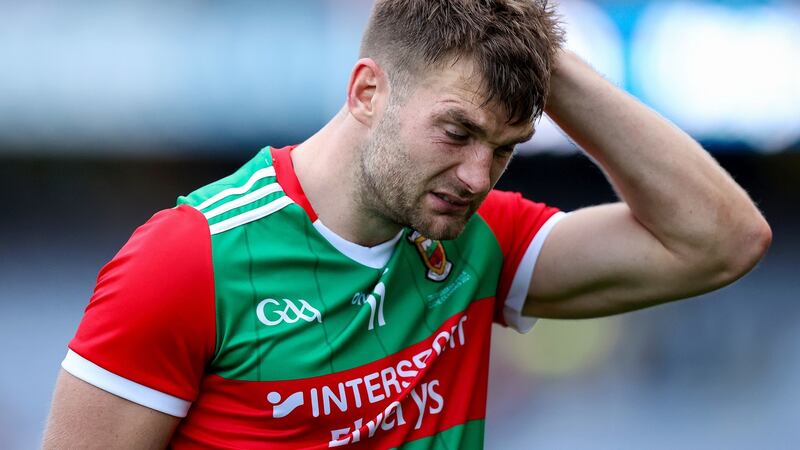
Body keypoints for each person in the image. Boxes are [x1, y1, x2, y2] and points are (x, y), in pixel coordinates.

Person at [43, 0, 771, 448]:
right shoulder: (189, 260)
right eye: (456, 132)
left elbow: (721, 240)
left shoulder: (476, 237)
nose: (479, 178)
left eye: (505, 150)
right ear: (366, 91)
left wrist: (548, 56)